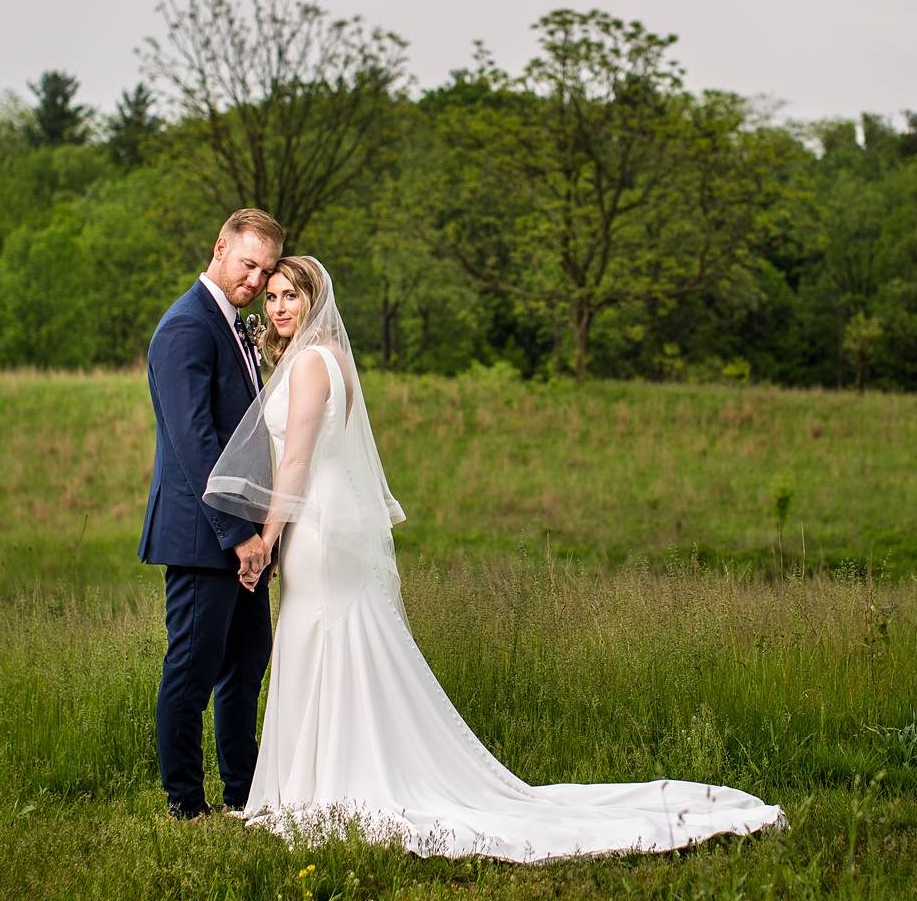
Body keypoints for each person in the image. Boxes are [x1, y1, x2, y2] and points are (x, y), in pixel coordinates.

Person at [204, 256, 784, 861]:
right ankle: (327, 776)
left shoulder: (310, 367)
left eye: (290, 296)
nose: (277, 308)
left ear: (313, 300)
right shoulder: (336, 362)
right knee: (329, 638)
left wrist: (266, 537)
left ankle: (325, 785)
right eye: (270, 297)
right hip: (332, 520)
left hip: (317, 526)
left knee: (318, 635)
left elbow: (294, 462)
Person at [140, 207, 283, 820]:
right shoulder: (186, 328)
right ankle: (184, 804)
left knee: (246, 665)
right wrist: (238, 536)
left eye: (267, 270)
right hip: (206, 536)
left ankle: (242, 796)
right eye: (248, 264)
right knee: (193, 668)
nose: (255, 281)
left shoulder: (232, 325)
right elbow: (195, 442)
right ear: (219, 249)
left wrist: (261, 534)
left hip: (244, 534)